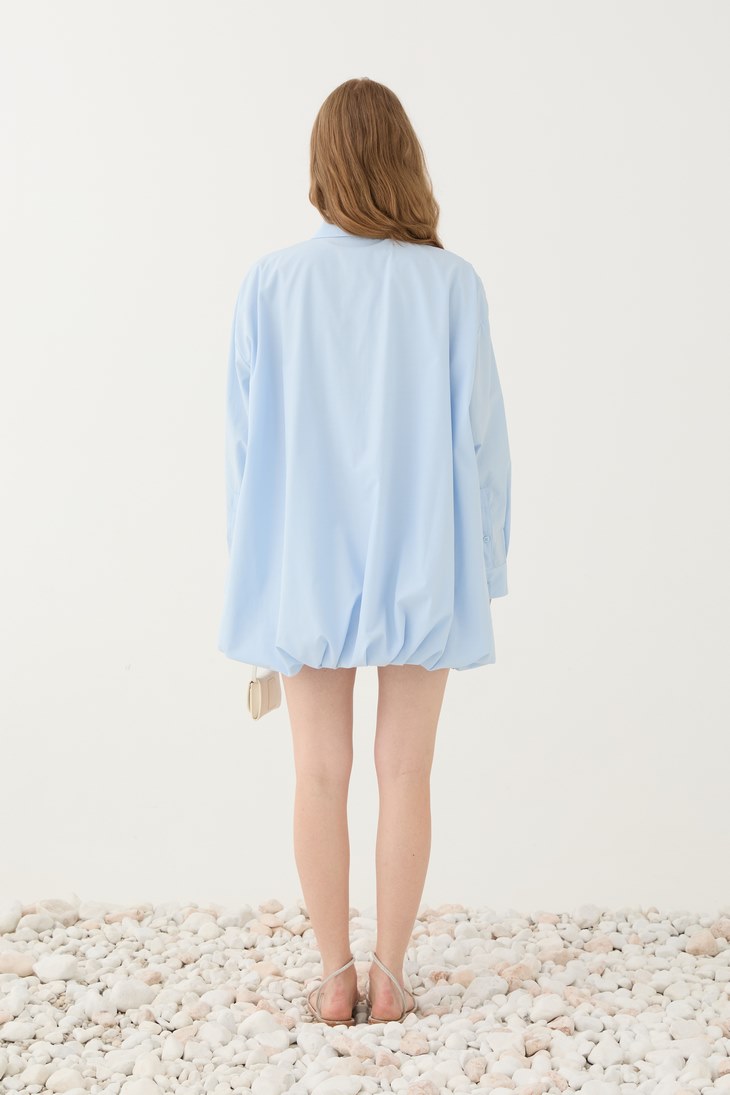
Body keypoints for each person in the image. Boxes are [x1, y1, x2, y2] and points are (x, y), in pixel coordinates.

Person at [217, 77, 512, 1025]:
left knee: (318, 771)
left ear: (321, 166)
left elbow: (243, 446)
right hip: (424, 558)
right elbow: (484, 438)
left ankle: (333, 974)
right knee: (406, 771)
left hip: (303, 563)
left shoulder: (270, 283)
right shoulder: (451, 284)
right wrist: (487, 563)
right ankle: (390, 976)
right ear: (404, 161)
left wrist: (252, 569)